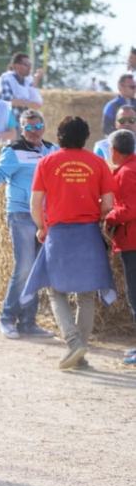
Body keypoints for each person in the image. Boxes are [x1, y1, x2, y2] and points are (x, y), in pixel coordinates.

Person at [23, 117, 116, 370]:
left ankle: (74, 343)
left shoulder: (47, 162)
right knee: (86, 295)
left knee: (55, 291)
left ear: (60, 135)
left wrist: (42, 226)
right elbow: (108, 205)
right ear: (86, 137)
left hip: (59, 233)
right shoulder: (98, 163)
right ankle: (80, 352)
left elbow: (35, 203)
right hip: (88, 233)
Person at [0, 109, 58, 339]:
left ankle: (28, 322)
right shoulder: (13, 151)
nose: (33, 131)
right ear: (21, 129)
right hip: (20, 213)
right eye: (27, 127)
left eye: (36, 126)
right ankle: (7, 318)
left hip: (45, 217)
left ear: (43, 126)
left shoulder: (52, 150)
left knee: (37, 270)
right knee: (24, 267)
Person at [104, 129, 136, 365]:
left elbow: (130, 208)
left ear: (114, 150)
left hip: (132, 241)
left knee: (135, 296)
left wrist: (109, 216)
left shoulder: (126, 172)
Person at [0, 52, 43, 121]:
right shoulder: (6, 78)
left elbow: (37, 103)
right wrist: (28, 103)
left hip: (24, 122)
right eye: (26, 65)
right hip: (10, 122)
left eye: (30, 65)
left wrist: (36, 80)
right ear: (16, 66)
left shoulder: (28, 80)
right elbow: (6, 101)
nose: (29, 67)